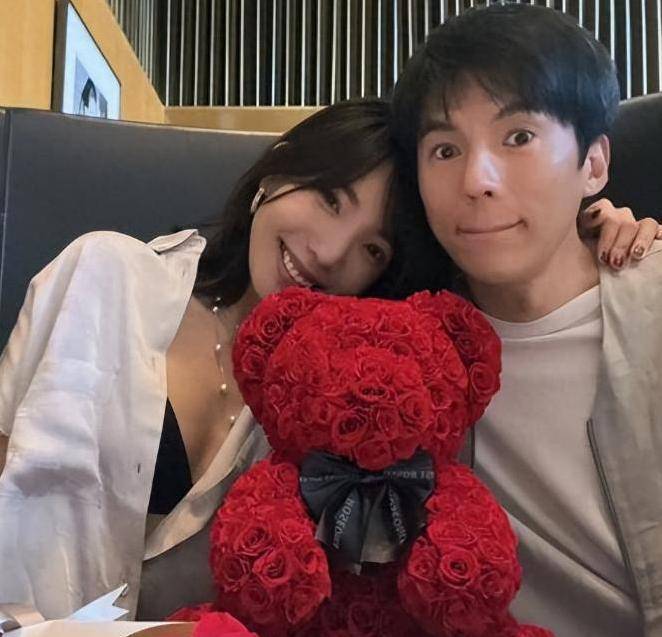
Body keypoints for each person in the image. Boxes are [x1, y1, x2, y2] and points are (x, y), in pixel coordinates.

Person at [0, 96, 654, 625]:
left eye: (372, 250)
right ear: (278, 169)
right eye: (330, 199)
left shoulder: (334, 403)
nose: (330, 252)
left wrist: (583, 236)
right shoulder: (106, 276)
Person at [391, 4, 662, 636]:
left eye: (518, 137)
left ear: (593, 165)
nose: (476, 180)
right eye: (445, 149)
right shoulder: (406, 353)